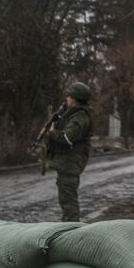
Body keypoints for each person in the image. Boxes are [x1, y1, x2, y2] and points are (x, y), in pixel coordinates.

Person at [46, 83, 93, 222]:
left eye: (69, 96)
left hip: (70, 163)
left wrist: (53, 133)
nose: (67, 98)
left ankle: (71, 233)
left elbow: (67, 137)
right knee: (66, 201)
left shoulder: (80, 117)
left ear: (75, 99)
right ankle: (68, 228)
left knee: (69, 204)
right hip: (67, 163)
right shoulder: (74, 114)